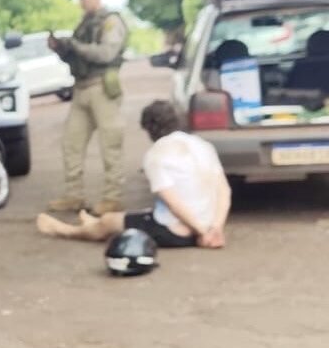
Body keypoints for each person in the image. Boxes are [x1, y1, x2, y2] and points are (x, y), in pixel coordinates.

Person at [36, 100, 232, 249]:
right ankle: (92, 223)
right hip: (208, 222)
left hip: (178, 231)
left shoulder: (156, 156)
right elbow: (224, 190)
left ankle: (67, 230)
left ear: (149, 129)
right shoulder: (202, 145)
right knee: (136, 216)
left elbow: (173, 203)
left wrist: (202, 232)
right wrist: (216, 228)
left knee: (109, 222)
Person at [47, 0, 128, 214]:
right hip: (81, 88)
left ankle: (112, 198)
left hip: (102, 87)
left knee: (110, 143)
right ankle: (74, 195)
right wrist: (62, 49)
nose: (82, 2)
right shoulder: (85, 24)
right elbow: (78, 57)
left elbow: (106, 54)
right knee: (71, 143)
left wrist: (76, 46)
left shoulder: (111, 21)